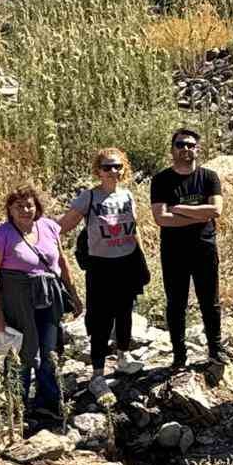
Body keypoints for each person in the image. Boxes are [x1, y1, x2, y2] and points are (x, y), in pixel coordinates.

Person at [0, 186, 79, 433]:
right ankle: (17, 405)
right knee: (22, 351)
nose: (25, 210)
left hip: (49, 294)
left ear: (37, 206)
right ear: (10, 210)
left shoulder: (48, 226)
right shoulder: (0, 235)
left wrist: (75, 295)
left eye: (29, 205)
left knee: (50, 348)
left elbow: (62, 262)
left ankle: (48, 401)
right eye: (19, 206)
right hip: (17, 297)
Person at [58, 148, 144, 395]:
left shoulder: (127, 196)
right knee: (100, 318)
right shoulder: (89, 198)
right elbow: (63, 226)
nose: (113, 171)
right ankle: (97, 373)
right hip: (101, 266)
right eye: (107, 167)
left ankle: (123, 357)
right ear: (98, 171)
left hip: (126, 262)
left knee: (125, 311)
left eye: (117, 166)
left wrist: (142, 257)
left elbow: (133, 228)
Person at [150, 127, 225, 371]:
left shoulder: (209, 177)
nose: (186, 149)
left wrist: (179, 209)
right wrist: (198, 214)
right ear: (172, 149)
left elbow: (215, 211)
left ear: (197, 149)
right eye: (180, 144)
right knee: (176, 303)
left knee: (210, 301)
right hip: (174, 251)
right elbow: (161, 218)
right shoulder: (161, 180)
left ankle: (215, 350)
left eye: (190, 145)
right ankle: (179, 355)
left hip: (204, 247)